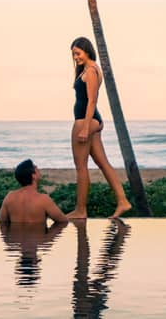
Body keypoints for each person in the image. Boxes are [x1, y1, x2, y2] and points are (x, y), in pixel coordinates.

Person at [70, 37, 132, 219]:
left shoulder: (90, 71)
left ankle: (80, 210)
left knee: (81, 167)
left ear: (87, 51)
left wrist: (85, 128)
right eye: (73, 54)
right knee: (103, 163)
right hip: (91, 121)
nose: (76, 57)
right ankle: (123, 201)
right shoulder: (89, 70)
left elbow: (92, 101)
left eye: (78, 53)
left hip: (85, 122)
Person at [0, 158, 70, 226]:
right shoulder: (43, 199)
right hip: (38, 238)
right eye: (36, 168)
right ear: (34, 176)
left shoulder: (9, 197)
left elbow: (2, 223)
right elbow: (63, 222)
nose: (39, 169)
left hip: (15, 238)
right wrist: (49, 236)